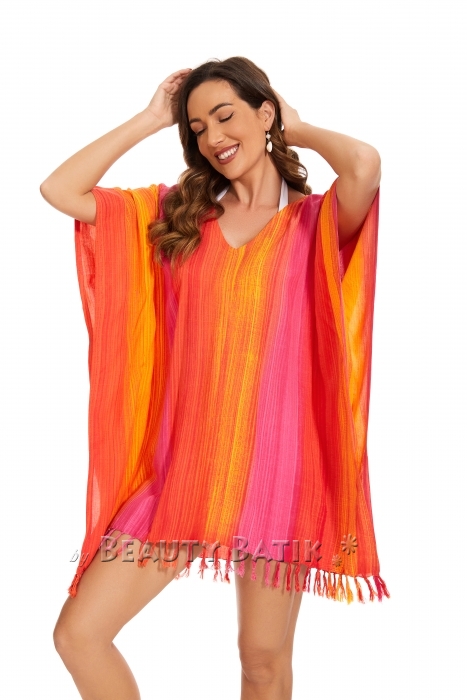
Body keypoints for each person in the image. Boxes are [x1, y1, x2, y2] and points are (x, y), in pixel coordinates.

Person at [40, 56, 387, 700]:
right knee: (79, 635)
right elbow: (60, 190)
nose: (213, 137)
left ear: (265, 114)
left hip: (278, 475)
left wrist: (298, 128)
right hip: (183, 472)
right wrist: (150, 118)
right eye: (197, 128)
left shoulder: (314, 223)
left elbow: (364, 164)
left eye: (225, 116)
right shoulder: (177, 217)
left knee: (262, 661)